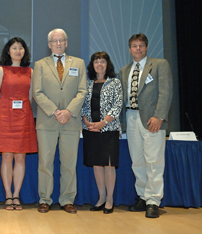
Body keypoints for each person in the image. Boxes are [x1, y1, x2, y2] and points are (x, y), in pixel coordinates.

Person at [33, 29, 87, 213]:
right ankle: (44, 199)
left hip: (70, 121)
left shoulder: (78, 64)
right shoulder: (40, 65)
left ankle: (67, 199)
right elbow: (37, 93)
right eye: (54, 41)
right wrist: (56, 112)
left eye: (61, 40)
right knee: (45, 163)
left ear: (66, 42)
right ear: (49, 44)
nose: (58, 43)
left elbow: (82, 91)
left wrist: (68, 111)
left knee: (69, 163)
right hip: (47, 121)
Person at [119, 33, 173, 218]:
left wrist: (159, 116)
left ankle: (153, 200)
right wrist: (120, 121)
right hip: (131, 118)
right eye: (134, 46)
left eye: (141, 45)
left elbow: (165, 93)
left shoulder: (160, 65)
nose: (138, 49)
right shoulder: (124, 70)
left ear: (146, 47)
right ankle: (142, 196)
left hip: (152, 120)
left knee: (154, 161)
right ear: (130, 49)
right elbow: (122, 98)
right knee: (138, 161)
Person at [0, 37, 37, 211]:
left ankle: (16, 195)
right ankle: (7, 195)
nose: (18, 51)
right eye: (14, 48)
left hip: (23, 118)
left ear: (24, 51)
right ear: (8, 51)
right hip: (6, 119)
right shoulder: (1, 71)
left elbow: (30, 98)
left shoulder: (30, 72)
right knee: (7, 157)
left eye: (21, 48)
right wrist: (2, 112)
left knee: (20, 157)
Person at [81, 52, 123, 214]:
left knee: (109, 164)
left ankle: (110, 199)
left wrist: (102, 123)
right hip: (90, 129)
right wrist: (85, 121)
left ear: (108, 64)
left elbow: (117, 106)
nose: (99, 64)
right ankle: (101, 197)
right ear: (92, 65)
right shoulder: (88, 84)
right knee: (96, 164)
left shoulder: (115, 83)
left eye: (102, 61)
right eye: (96, 61)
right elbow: (84, 105)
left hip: (108, 130)